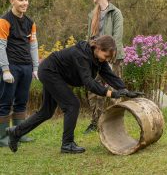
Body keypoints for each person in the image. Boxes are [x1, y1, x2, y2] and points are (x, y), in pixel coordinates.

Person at [6, 35, 142, 154]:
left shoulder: (98, 60)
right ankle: (67, 144)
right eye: (105, 56)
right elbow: (88, 82)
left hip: (53, 73)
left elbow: (109, 75)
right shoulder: (81, 55)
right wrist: (112, 94)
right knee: (72, 104)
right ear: (98, 48)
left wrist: (124, 90)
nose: (105, 60)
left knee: (46, 112)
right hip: (50, 71)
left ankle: (15, 132)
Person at [0, 0, 39, 147]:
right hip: (11, 67)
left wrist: (35, 67)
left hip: (26, 67)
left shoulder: (30, 23)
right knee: (5, 102)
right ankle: (2, 137)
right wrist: (5, 70)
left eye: (26, 0)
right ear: (12, 1)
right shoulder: (4, 21)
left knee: (22, 101)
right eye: (20, 0)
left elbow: (33, 45)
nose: (24, 3)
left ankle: (18, 133)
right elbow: (1, 46)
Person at [84, 0, 125, 134]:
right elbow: (90, 38)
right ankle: (95, 123)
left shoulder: (116, 13)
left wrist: (109, 57)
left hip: (112, 57)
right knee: (93, 90)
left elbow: (117, 38)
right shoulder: (92, 14)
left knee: (115, 90)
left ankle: (116, 124)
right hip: (95, 58)